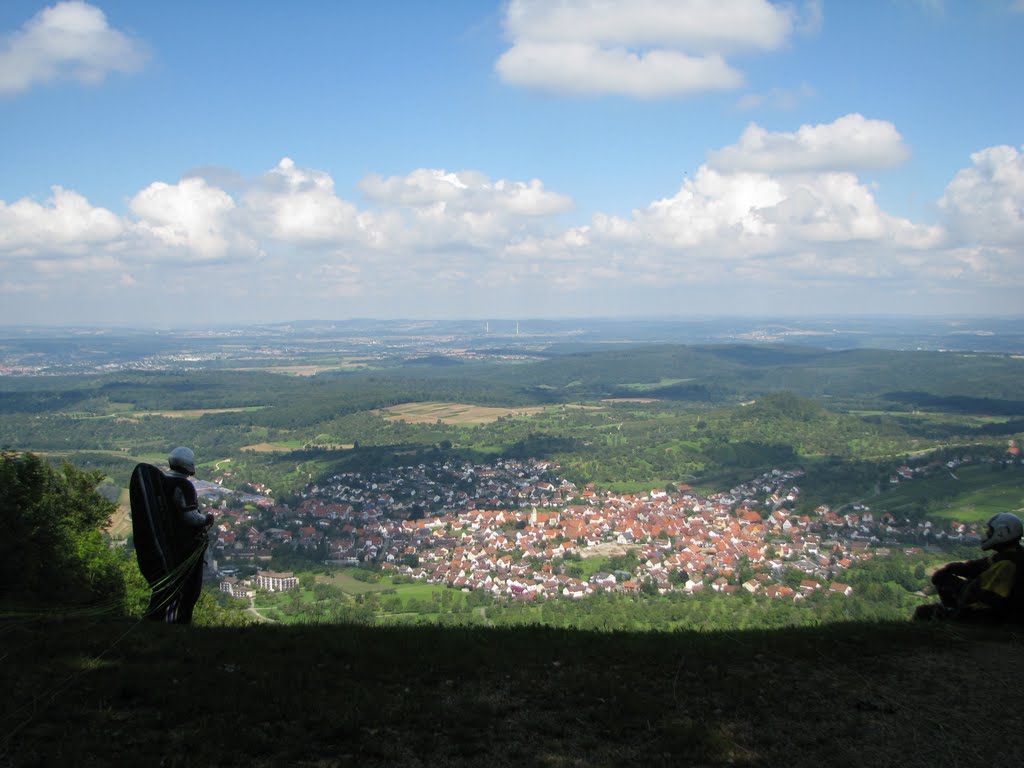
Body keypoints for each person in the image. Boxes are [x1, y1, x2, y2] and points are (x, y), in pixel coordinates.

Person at [914, 512, 1024, 624]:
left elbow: (987, 599)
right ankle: (953, 612)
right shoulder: (1011, 555)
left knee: (923, 612)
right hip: (996, 612)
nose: (987, 534)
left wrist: (960, 587)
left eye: (990, 531)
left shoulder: (1007, 564)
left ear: (1002, 533)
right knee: (942, 578)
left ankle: (953, 618)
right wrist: (955, 568)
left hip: (988, 617)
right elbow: (979, 566)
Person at [146, 446, 214, 624]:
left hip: (168, 542)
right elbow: (189, 516)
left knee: (169, 587)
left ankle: (161, 621)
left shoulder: (163, 482)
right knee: (187, 588)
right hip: (184, 546)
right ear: (188, 464)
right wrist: (207, 518)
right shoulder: (183, 485)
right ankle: (177, 622)